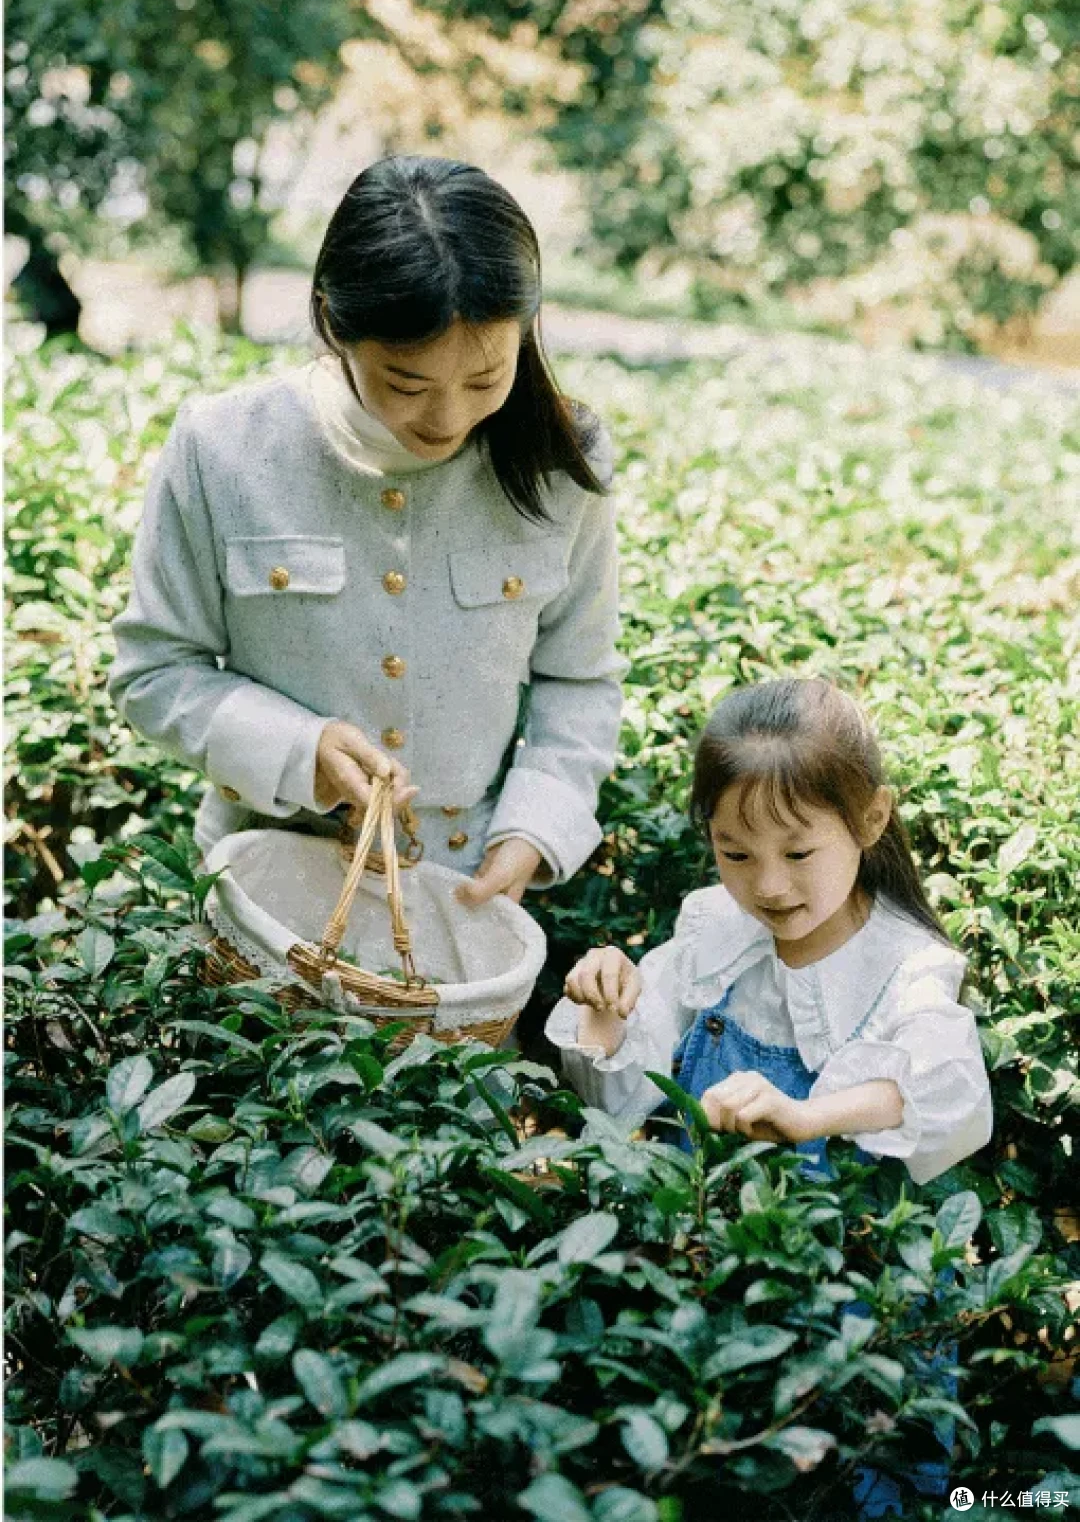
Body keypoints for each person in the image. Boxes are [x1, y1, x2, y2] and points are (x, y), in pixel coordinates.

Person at [110, 156, 624, 905]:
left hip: (461, 888)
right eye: (406, 384)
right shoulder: (222, 447)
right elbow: (153, 670)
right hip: (263, 885)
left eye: (485, 379)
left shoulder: (561, 459)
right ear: (332, 321)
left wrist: (535, 830)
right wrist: (296, 748)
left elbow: (579, 680)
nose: (447, 419)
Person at [547, 676, 993, 1517]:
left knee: (847, 1479)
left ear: (868, 820)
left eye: (797, 852)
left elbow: (944, 1092)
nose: (769, 886)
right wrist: (604, 1015)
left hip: (849, 1301)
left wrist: (811, 1116)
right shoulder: (713, 931)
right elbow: (620, 1097)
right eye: (735, 852)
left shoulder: (905, 965)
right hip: (704, 1271)